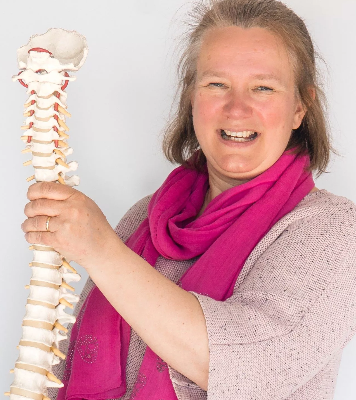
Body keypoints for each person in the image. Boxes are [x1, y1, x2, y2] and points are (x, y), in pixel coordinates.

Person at [21, 0, 356, 399]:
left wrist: (100, 249)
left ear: (300, 107)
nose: (236, 108)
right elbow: (63, 368)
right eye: (217, 85)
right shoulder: (145, 217)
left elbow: (251, 370)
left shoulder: (334, 232)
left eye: (263, 87)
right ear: (191, 98)